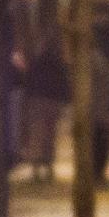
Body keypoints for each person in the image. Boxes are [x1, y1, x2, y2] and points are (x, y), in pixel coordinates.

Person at [20, 37, 70, 183]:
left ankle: (37, 167)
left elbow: (29, 82)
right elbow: (63, 83)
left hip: (38, 101)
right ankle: (48, 166)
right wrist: (65, 99)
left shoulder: (36, 63)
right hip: (52, 102)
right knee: (50, 135)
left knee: (38, 134)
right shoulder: (57, 64)